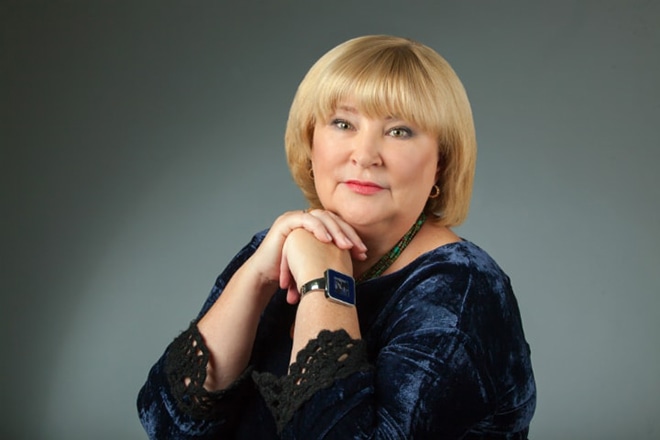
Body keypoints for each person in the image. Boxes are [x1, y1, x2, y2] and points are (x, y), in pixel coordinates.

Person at [137, 34, 536, 439]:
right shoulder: (284, 243)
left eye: (399, 131)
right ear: (310, 143)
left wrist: (326, 284)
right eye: (343, 124)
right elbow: (166, 424)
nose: (364, 155)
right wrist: (255, 277)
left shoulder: (462, 291)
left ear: (441, 164)